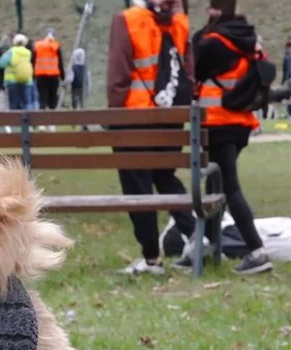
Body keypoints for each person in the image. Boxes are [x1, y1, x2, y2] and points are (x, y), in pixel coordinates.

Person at [107, 0, 197, 275]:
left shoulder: (127, 20)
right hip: (169, 119)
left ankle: (151, 258)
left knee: (137, 188)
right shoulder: (180, 22)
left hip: (134, 119)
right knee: (165, 177)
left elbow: (119, 75)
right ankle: (197, 234)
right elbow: (189, 72)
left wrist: (114, 112)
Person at [190, 0, 270, 274]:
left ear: (213, 11)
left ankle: (257, 251)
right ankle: (204, 245)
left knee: (228, 187)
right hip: (241, 121)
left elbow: (194, 66)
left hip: (219, 123)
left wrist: (207, 28)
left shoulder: (213, 43)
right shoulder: (245, 37)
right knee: (216, 185)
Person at [0, 34, 34, 110]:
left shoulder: (11, 51)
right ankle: (26, 120)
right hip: (26, 80)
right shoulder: (28, 52)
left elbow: (1, 64)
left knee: (13, 103)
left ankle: (14, 121)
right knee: (26, 103)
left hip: (12, 81)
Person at [33, 29, 65, 110]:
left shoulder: (37, 45)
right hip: (53, 76)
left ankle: (42, 120)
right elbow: (60, 63)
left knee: (42, 98)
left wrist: (33, 75)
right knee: (53, 98)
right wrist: (63, 77)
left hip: (40, 76)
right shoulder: (56, 46)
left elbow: (33, 61)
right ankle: (52, 119)